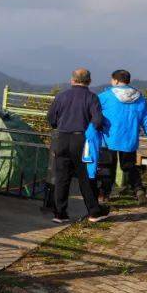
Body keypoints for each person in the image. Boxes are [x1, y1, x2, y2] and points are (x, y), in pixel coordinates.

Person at [46, 68, 109, 224]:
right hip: (81, 140)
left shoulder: (61, 96)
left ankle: (59, 214)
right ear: (89, 81)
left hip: (61, 138)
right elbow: (97, 120)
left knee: (61, 177)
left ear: (72, 80)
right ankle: (94, 212)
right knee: (85, 178)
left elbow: (51, 118)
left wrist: (58, 126)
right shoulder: (92, 98)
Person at [97, 70, 147, 205]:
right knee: (130, 167)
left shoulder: (105, 96)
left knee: (107, 167)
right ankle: (139, 190)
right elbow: (146, 121)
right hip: (130, 139)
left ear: (115, 80)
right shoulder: (140, 98)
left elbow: (94, 115)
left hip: (109, 138)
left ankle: (104, 194)